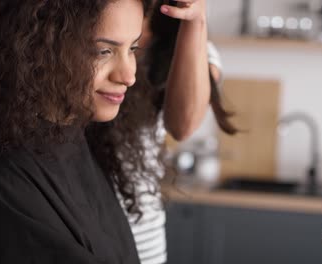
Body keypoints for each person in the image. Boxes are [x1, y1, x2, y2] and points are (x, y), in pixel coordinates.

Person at [0, 0, 161, 263]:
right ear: (39, 48)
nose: (128, 76)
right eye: (103, 51)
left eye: (132, 48)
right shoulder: (4, 179)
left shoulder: (76, 137)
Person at [121, 1, 237, 263]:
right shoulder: (81, 32)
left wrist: (195, 22)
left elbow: (182, 125)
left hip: (138, 233)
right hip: (71, 220)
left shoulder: (194, 47)